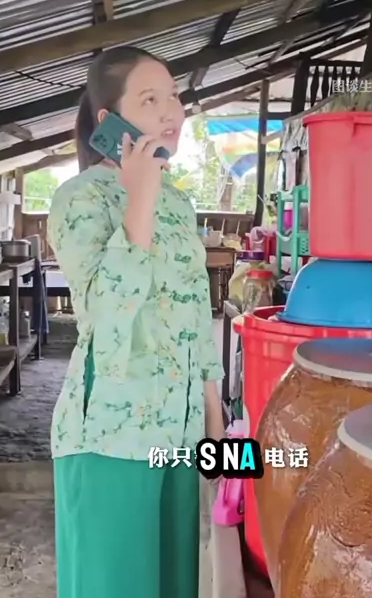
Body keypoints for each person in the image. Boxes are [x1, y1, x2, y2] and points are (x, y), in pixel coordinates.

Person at [47, 46, 225, 598]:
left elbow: (197, 313)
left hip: (179, 434)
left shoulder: (179, 204)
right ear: (110, 121)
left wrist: (215, 423)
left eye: (173, 96)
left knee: (174, 585)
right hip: (110, 437)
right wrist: (139, 198)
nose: (171, 111)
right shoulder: (78, 200)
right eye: (149, 100)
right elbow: (106, 316)